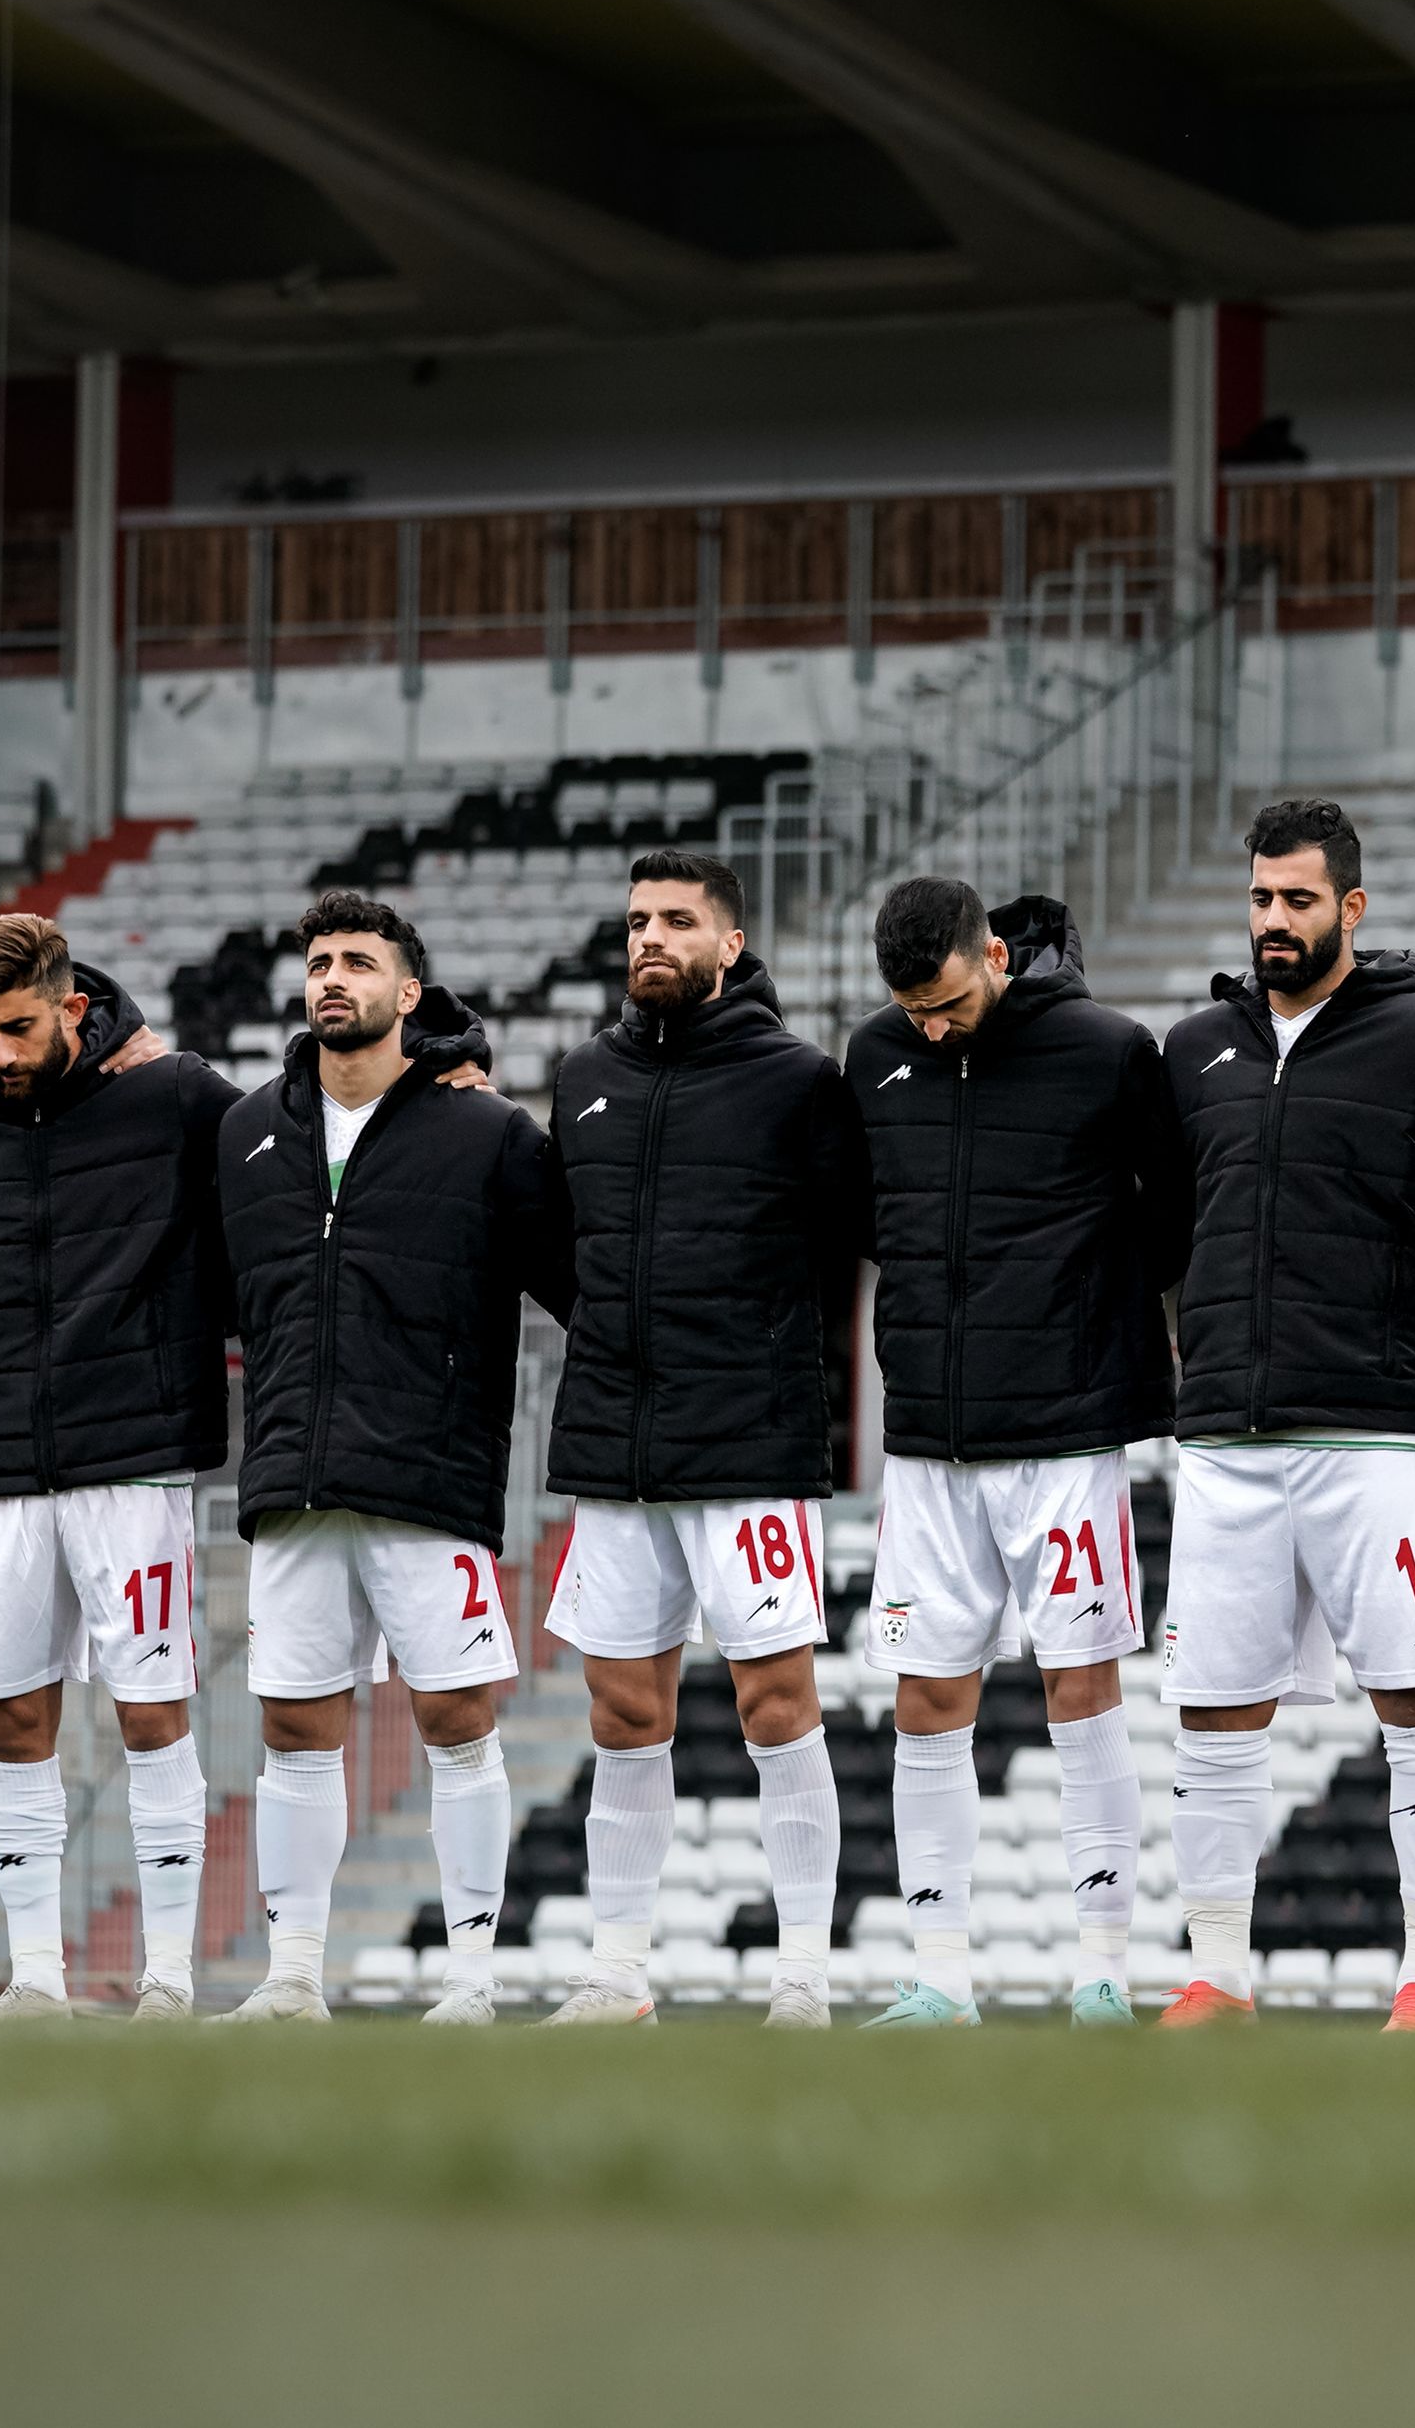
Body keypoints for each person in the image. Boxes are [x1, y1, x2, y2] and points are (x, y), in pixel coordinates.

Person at [1155, 800, 1415, 2029]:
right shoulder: (1192, 1047)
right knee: (1211, 1703)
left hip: (1376, 1424)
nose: (1273, 922)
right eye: (1260, 899)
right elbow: (1164, 1224)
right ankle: (1218, 1972)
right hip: (1226, 1434)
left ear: (1351, 907)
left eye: (1298, 901)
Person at [212, 893, 569, 2024]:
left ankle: (470, 1981)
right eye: (319, 960)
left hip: (430, 1476)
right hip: (292, 1479)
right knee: (293, 1728)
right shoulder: (249, 1132)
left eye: (357, 961)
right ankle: (293, 1979)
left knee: (458, 1717)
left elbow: (577, 1286)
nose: (332, 978)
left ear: (407, 993)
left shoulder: (490, 1133)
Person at [847, 878, 1188, 2028]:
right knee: (926, 1693)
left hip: (1063, 1429)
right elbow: (868, 1215)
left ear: (992, 952)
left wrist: (1081, 1304)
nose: (931, 1027)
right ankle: (938, 1973)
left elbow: (1175, 1212)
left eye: (946, 1002)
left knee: (1080, 1688)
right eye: (912, 1010)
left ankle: (1101, 1968)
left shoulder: (1107, 1048)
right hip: (929, 1437)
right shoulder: (872, 1055)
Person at [539, 852, 870, 2028]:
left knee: (778, 1703)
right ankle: (617, 1975)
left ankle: (802, 1979)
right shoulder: (582, 1075)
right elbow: (556, 1252)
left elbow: (852, 1239)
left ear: (730, 943)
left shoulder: (797, 1081)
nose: (651, 938)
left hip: (750, 1440)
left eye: (678, 920)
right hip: (616, 1445)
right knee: (623, 1713)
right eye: (637, 920)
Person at [0, 913, 230, 2022]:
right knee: (12, 1721)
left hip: (137, 1458)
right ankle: (37, 1984)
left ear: (70, 1005)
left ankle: (168, 1983)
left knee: (152, 1714)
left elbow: (284, 1176)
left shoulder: (179, 1095)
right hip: (6, 1462)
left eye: (17, 1028)